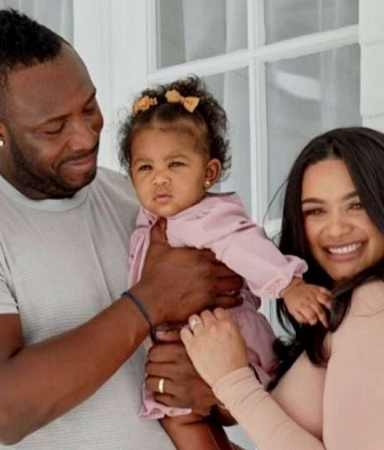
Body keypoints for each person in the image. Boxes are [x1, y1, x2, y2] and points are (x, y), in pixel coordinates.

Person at [0, 9, 241, 449]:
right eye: (54, 127)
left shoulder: (131, 197)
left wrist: (215, 395)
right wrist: (151, 299)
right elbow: (2, 410)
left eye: (89, 107)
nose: (84, 137)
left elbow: (231, 337)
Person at [180, 127, 384, 449]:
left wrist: (232, 381)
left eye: (357, 205)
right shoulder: (367, 306)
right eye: (316, 211)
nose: (336, 229)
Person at [117, 77, 332, 448]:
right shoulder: (151, 222)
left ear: (209, 173)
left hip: (224, 337)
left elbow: (245, 245)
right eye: (145, 168)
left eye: (176, 164)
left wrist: (288, 285)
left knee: (182, 418)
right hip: (189, 343)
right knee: (183, 417)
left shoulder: (207, 217)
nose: (160, 179)